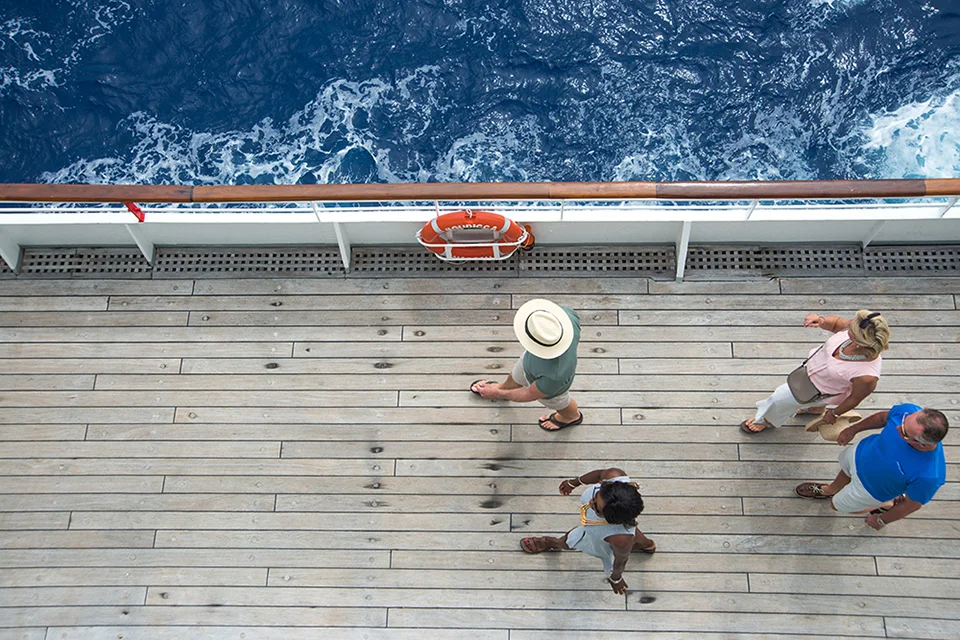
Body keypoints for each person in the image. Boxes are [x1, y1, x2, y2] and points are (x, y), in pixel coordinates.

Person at [795, 404, 948, 529]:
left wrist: (882, 520)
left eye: (904, 432)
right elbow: (882, 418)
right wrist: (853, 429)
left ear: (922, 444)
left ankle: (886, 504)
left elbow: (911, 505)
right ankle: (830, 490)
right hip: (859, 453)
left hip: (869, 490)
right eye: (903, 421)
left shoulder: (930, 476)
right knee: (845, 471)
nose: (897, 427)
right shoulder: (907, 412)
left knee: (836, 505)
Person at [740, 309, 890, 434]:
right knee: (796, 400)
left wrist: (834, 413)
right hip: (808, 373)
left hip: (821, 391)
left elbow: (855, 398)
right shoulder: (857, 327)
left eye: (851, 328)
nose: (848, 325)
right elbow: (837, 323)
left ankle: (766, 420)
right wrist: (821, 320)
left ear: (860, 341)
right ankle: (815, 409)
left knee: (779, 399)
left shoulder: (867, 376)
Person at [519, 467, 655, 594]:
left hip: (599, 535)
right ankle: (647, 544)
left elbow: (621, 560)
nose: (591, 502)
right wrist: (574, 482)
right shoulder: (614, 475)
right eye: (597, 494)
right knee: (629, 531)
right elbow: (599, 474)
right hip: (622, 527)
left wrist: (616, 578)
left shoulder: (620, 539)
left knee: (572, 539)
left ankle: (552, 543)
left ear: (612, 520)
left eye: (596, 508)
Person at [470, 298, 582, 431]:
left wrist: (497, 393)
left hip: (552, 387)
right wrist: (500, 390)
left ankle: (570, 417)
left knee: (560, 403)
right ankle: (503, 388)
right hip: (531, 360)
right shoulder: (567, 316)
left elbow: (529, 393)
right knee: (517, 373)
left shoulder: (554, 377)